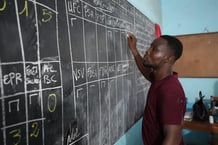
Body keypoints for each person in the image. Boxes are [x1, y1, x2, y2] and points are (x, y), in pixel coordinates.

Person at [127, 33, 186, 145]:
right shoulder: (160, 80)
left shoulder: (170, 90)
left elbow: (173, 139)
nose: (147, 51)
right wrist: (134, 51)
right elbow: (147, 73)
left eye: (154, 49)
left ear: (167, 59)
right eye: (150, 47)